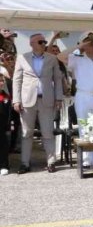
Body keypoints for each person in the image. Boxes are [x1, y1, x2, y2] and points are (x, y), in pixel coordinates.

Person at [55, 32, 93, 169]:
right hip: (83, 96)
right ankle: (86, 159)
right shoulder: (77, 59)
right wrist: (80, 46)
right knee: (84, 127)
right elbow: (60, 56)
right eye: (91, 43)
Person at [12, 33, 64, 173]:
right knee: (26, 133)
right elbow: (17, 80)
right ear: (32, 43)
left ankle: (51, 161)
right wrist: (16, 99)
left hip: (46, 99)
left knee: (47, 132)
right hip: (27, 100)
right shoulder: (22, 58)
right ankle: (25, 163)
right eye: (40, 42)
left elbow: (58, 79)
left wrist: (59, 98)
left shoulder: (52, 58)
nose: (43, 44)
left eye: (44, 42)